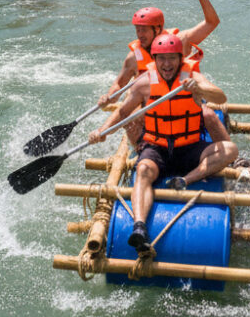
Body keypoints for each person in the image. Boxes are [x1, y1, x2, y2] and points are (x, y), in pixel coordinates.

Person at [89, 32, 235, 252]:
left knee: (230, 149)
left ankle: (184, 180)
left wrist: (199, 88)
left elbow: (220, 97)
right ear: (155, 60)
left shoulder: (192, 76)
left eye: (172, 58)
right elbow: (123, 112)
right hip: (157, 148)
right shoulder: (143, 83)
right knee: (144, 169)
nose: (167, 64)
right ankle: (139, 227)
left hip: (189, 148)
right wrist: (103, 131)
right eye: (162, 59)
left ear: (179, 58)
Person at [99, 0, 220, 106]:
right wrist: (109, 97)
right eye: (138, 30)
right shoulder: (134, 57)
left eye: (144, 30)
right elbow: (119, 84)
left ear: (158, 28)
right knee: (131, 97)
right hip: (149, 108)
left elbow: (212, 23)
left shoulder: (180, 41)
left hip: (181, 101)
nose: (140, 35)